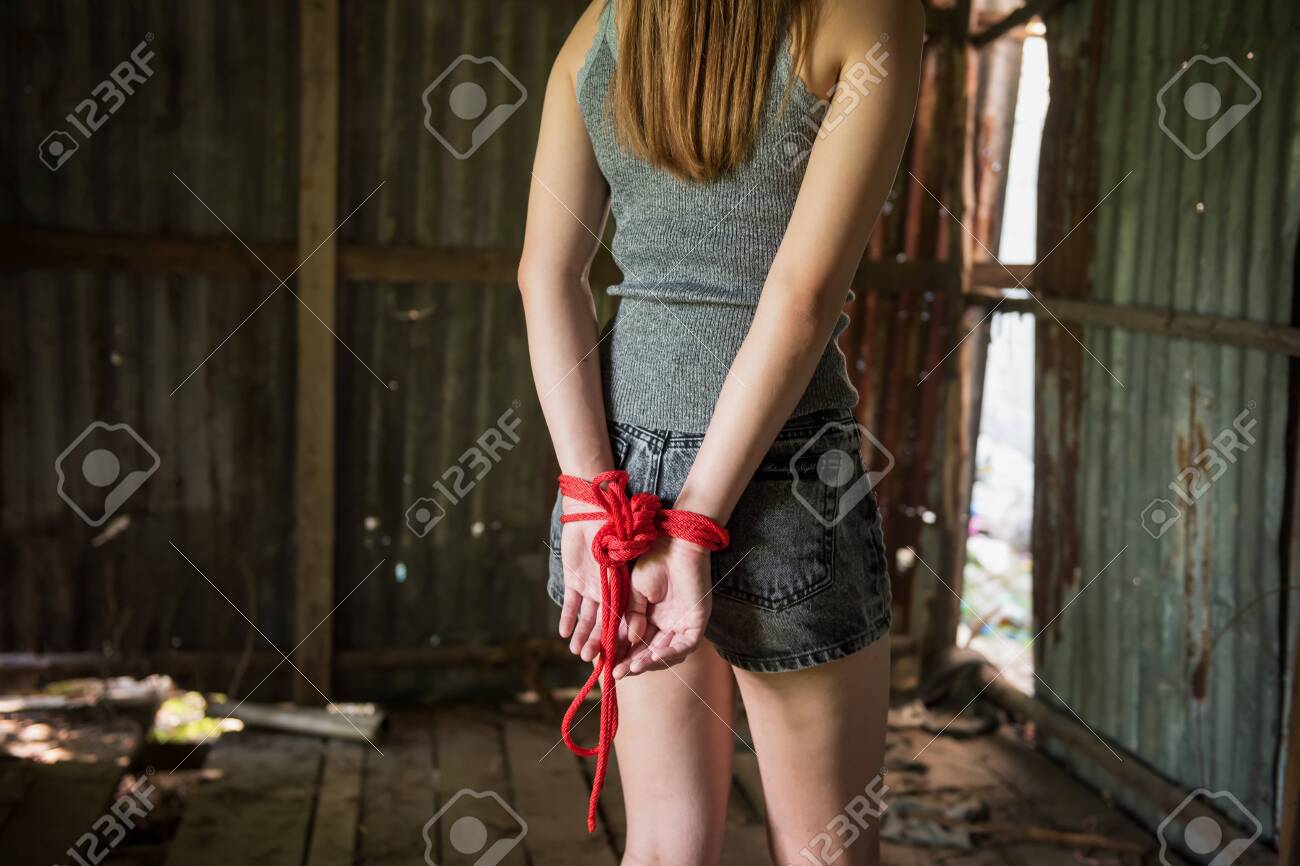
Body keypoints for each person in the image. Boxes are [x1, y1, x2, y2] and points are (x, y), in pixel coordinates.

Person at [518, 0, 922, 862]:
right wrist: (699, 521)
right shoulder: (870, 15)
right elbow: (799, 298)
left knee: (665, 845)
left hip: (619, 473)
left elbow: (545, 275)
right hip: (785, 473)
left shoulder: (598, 29)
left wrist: (592, 498)